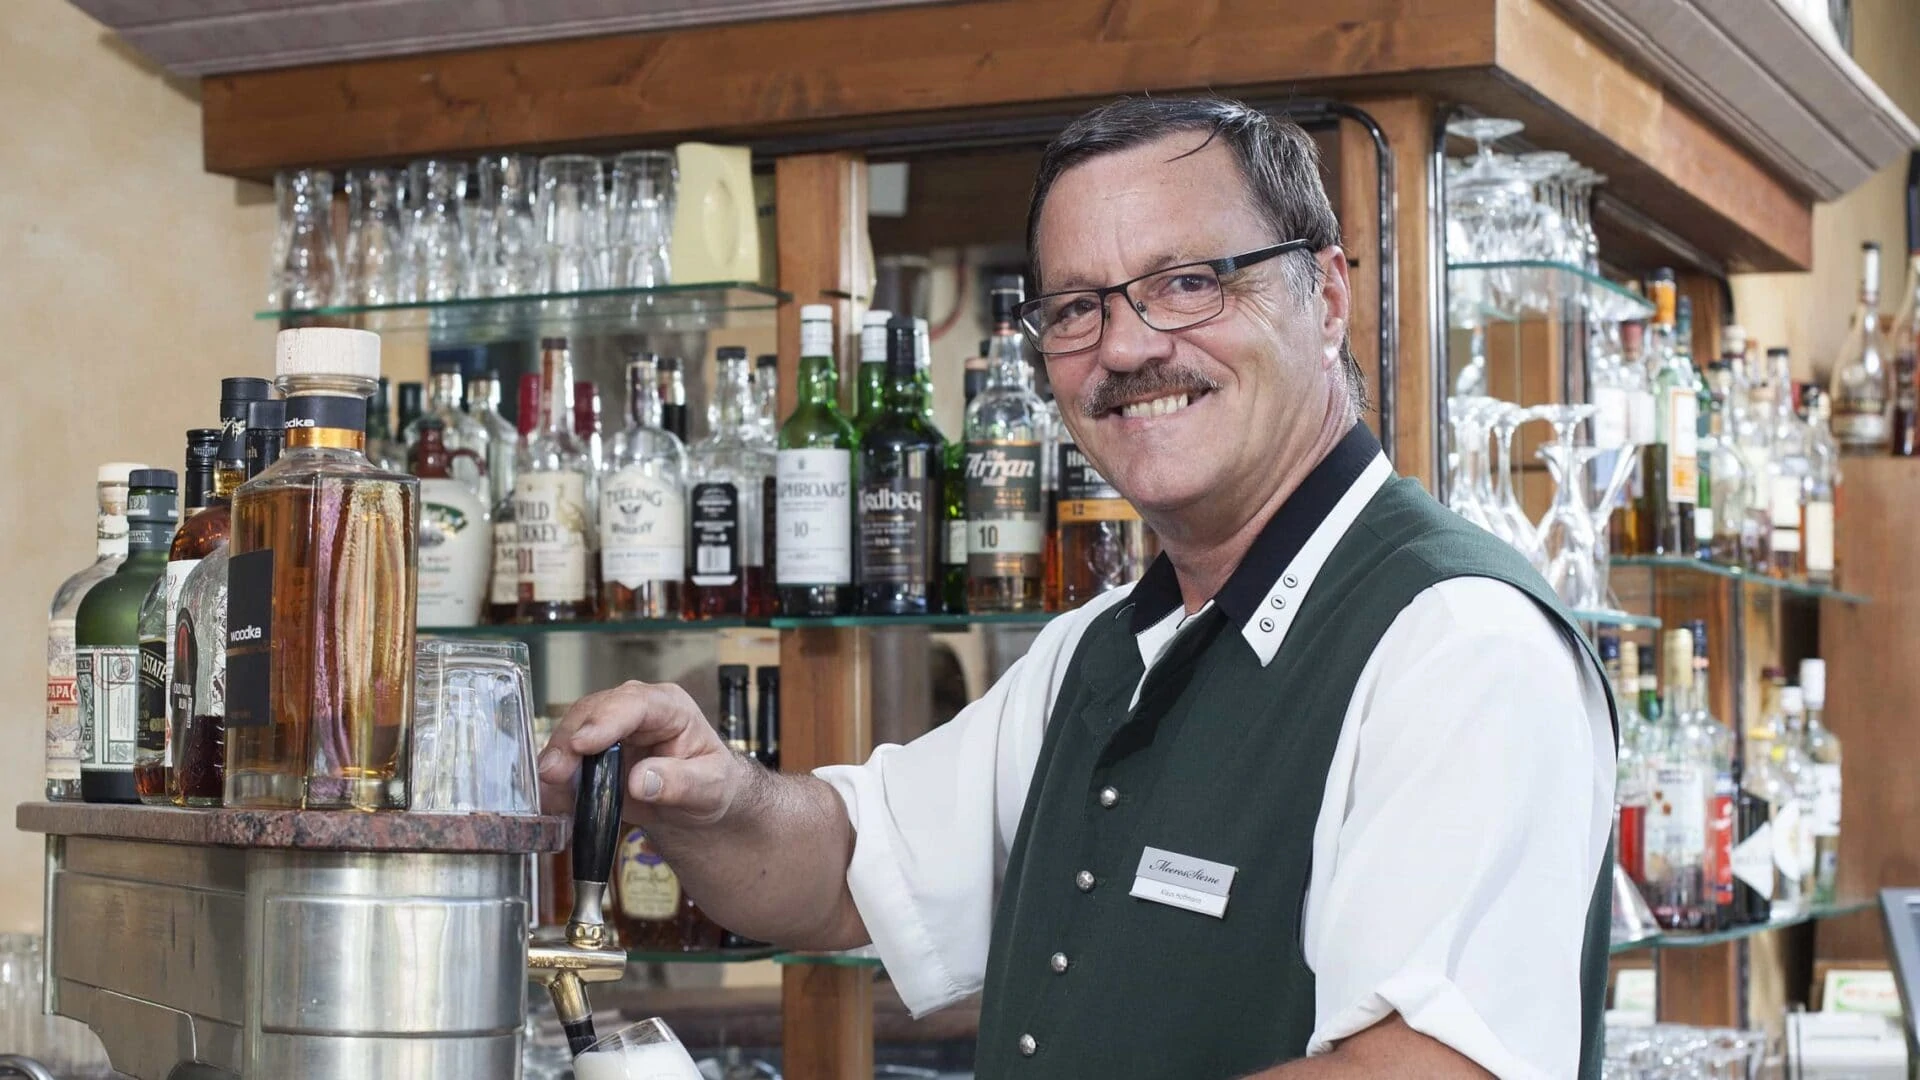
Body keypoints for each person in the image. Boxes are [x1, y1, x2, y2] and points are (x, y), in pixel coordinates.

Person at [540, 96, 1616, 1079]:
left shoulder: (1460, 644)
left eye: (1188, 283)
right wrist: (709, 794)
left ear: (1325, 296)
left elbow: (1420, 1072)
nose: (1129, 347)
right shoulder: (1099, 650)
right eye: (1075, 308)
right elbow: (846, 870)